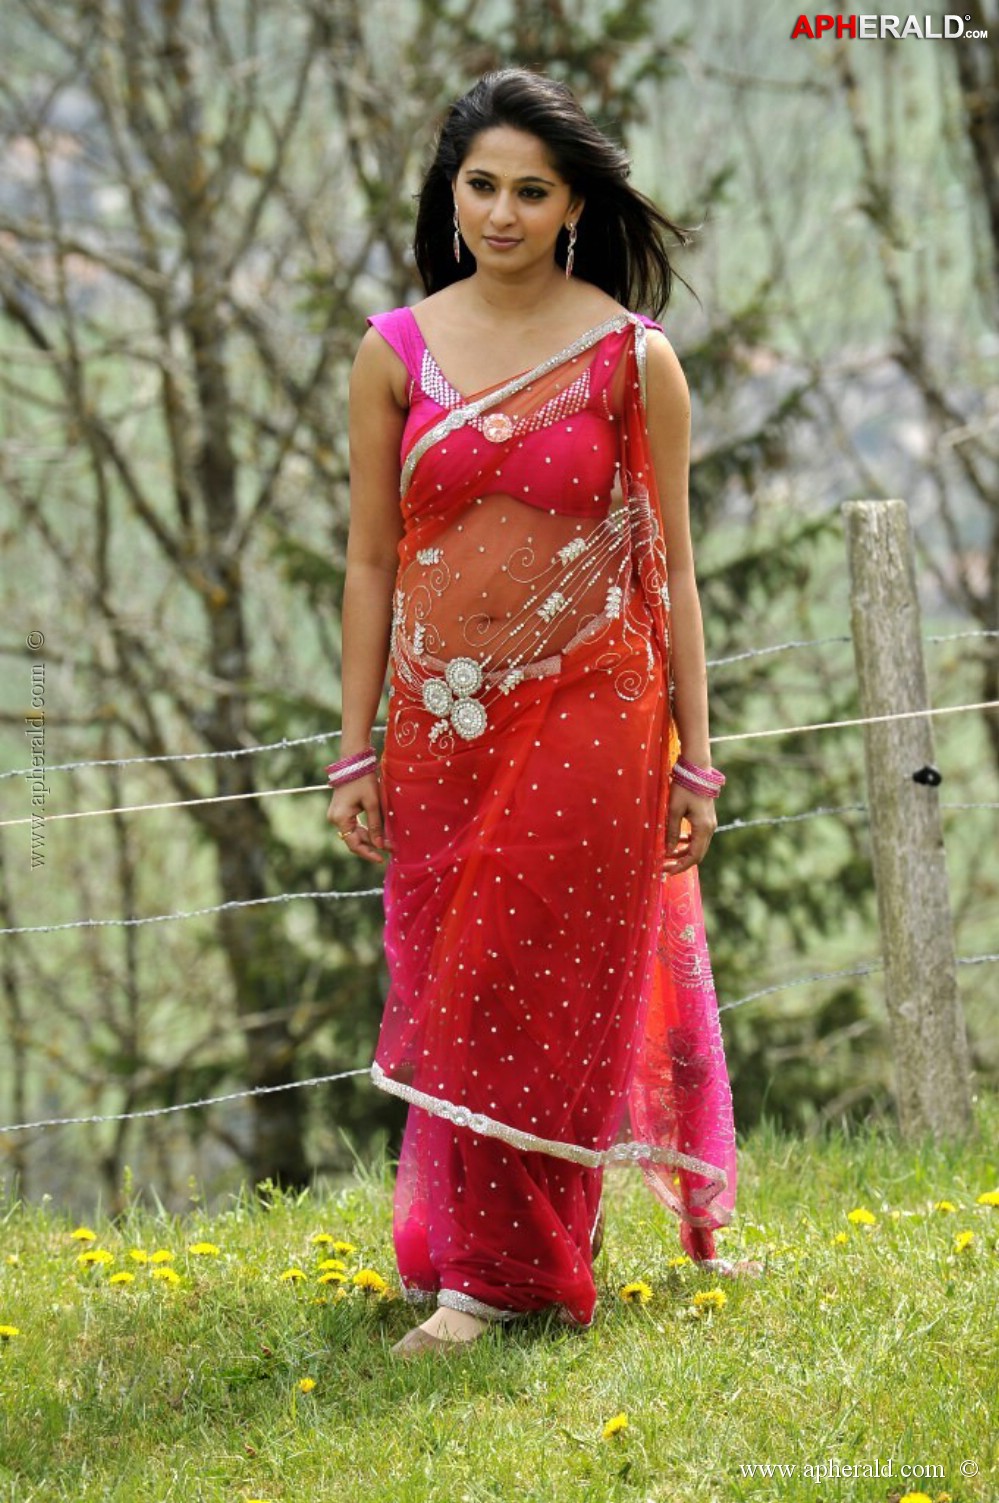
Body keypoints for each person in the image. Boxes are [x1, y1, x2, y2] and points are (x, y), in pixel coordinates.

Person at [326, 68, 739, 1359]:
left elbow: (672, 566)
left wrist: (699, 764)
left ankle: (494, 1288)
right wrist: (355, 749)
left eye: (531, 191)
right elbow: (370, 563)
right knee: (457, 981)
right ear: (451, 197)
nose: (502, 211)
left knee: (528, 976)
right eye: (482, 186)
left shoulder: (630, 358)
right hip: (441, 725)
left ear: (574, 208)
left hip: (597, 714)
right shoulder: (394, 352)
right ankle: (503, 1249)